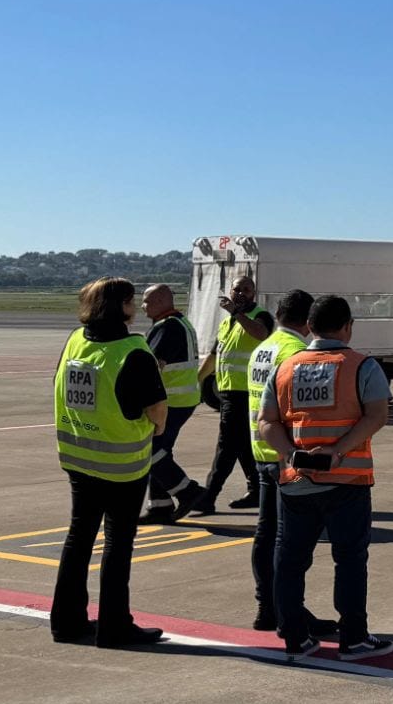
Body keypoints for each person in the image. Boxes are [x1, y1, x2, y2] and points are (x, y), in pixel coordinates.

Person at [256, 295, 393, 661]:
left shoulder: (285, 367)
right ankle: (353, 638)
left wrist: (290, 453)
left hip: (294, 479)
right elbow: (376, 415)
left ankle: (295, 638)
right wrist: (336, 451)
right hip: (346, 481)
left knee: (289, 560)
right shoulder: (361, 365)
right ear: (348, 326)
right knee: (349, 559)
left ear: (310, 327)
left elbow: (266, 422)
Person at [49, 277, 168, 648]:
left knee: (79, 537)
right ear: (123, 307)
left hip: (79, 456)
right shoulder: (133, 350)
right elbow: (157, 412)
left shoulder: (76, 340)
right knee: (118, 544)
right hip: (122, 465)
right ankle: (114, 626)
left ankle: (66, 622)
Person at [246, 289, 333, 637]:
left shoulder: (262, 347)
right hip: (288, 456)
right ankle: (288, 612)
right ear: (308, 322)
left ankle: (268, 606)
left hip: (261, 450)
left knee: (266, 535)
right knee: (291, 543)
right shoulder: (295, 352)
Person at [196, 275, 273, 513]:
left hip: (246, 392)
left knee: (226, 446)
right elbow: (214, 355)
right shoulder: (226, 323)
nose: (240, 293)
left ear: (254, 293)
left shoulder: (259, 316)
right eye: (236, 289)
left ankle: (208, 497)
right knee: (241, 445)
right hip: (228, 393)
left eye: (246, 290)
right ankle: (257, 490)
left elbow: (260, 334)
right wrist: (196, 381)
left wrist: (237, 314)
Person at [140, 284, 203, 522]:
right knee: (161, 451)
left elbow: (152, 365)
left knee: (150, 450)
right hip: (182, 399)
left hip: (171, 401)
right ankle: (160, 505)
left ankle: (188, 491)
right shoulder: (180, 323)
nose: (142, 305)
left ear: (160, 302)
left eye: (146, 301)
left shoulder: (167, 327)